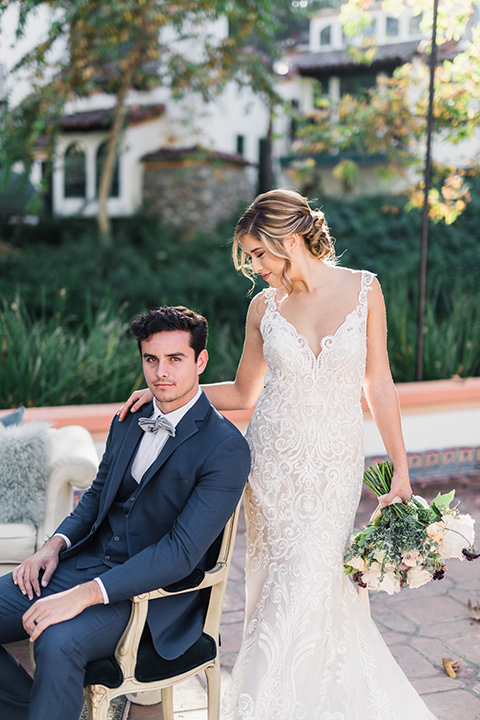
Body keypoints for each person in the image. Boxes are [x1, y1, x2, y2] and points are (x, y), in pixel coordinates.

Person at [119, 190, 438, 719]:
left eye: (258, 254)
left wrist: (401, 471)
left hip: (334, 467)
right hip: (271, 469)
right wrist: (164, 391)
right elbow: (245, 393)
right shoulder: (263, 307)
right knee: (276, 590)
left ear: (290, 241)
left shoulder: (365, 290)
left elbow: (379, 383)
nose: (254, 267)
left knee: (317, 581)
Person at [0, 305, 250, 720]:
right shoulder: (130, 419)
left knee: (55, 638)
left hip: (145, 597)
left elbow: (180, 553)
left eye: (175, 359)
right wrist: (54, 546)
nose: (161, 373)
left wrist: (83, 596)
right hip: (78, 563)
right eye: (151, 359)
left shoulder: (226, 448)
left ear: (200, 361)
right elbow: (97, 497)